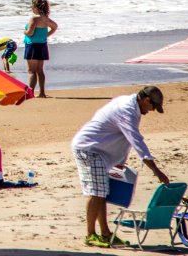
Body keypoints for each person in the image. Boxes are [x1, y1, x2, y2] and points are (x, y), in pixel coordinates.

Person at [71, 86, 169, 248]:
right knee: (96, 193)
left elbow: (124, 137)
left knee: (102, 192)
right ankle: (90, 235)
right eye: (153, 107)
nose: (151, 111)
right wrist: (156, 171)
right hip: (89, 148)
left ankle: (105, 234)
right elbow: (136, 142)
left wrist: (120, 162)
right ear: (146, 101)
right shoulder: (127, 110)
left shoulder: (133, 107)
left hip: (100, 151)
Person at [24, 0, 57, 98]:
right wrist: (45, 35)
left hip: (32, 45)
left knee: (31, 71)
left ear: (35, 7)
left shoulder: (35, 18)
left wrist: (24, 32)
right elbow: (55, 26)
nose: (31, 8)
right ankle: (42, 92)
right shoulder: (45, 18)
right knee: (40, 70)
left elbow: (30, 32)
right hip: (42, 45)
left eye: (32, 6)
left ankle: (30, 93)